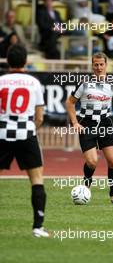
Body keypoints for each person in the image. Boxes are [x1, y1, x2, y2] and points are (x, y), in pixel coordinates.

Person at [0, 44, 49, 238]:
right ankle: (38, 227)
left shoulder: (1, 81)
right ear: (26, 61)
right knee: (36, 180)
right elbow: (39, 117)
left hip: (2, 132)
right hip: (26, 133)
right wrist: (31, 129)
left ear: (7, 60)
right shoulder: (33, 82)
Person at [66, 52, 113, 205]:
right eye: (96, 64)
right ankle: (86, 186)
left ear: (106, 65)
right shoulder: (84, 85)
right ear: (92, 66)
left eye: (101, 64)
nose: (98, 67)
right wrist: (75, 122)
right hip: (87, 124)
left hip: (105, 123)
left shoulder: (112, 86)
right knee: (92, 162)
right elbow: (70, 103)